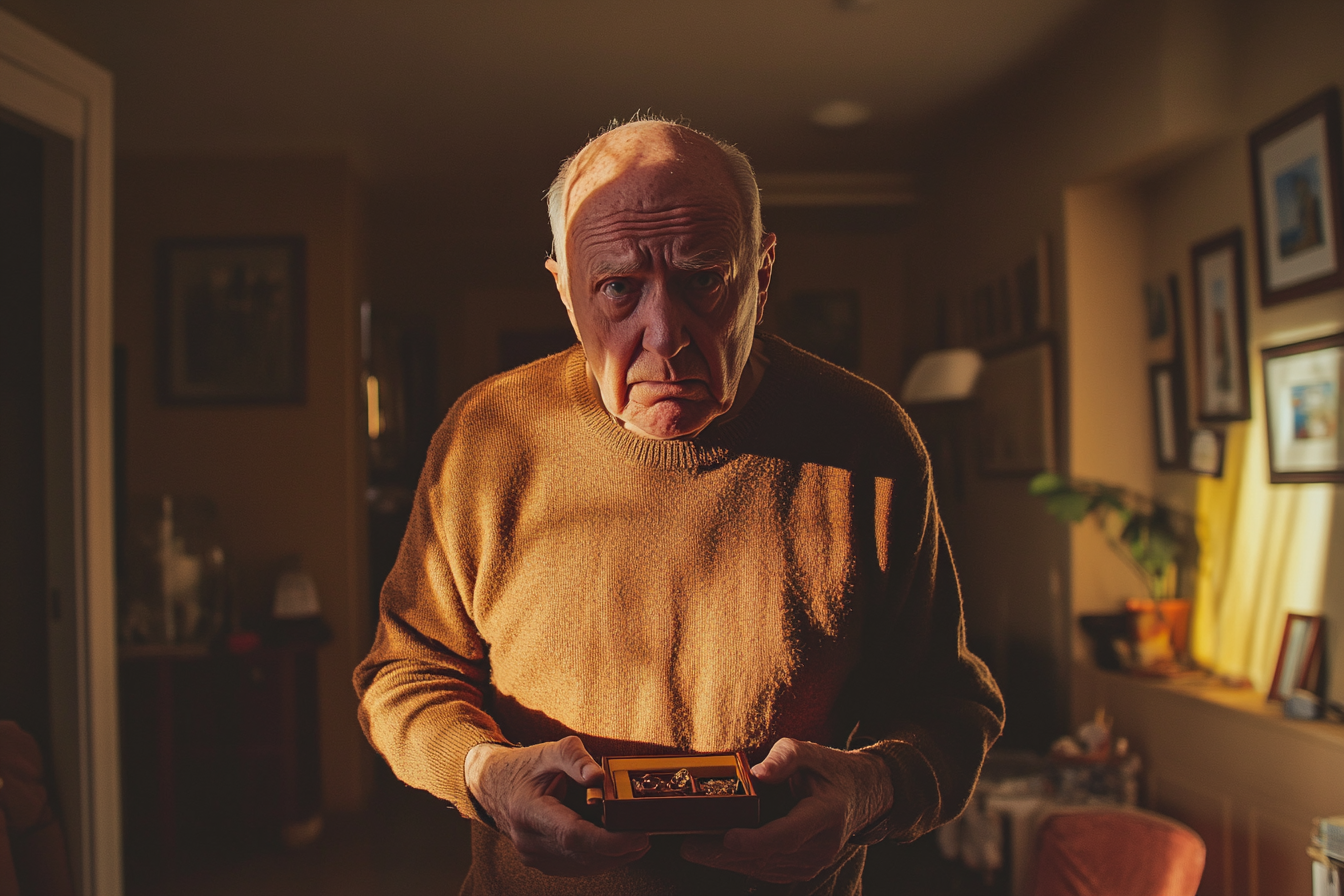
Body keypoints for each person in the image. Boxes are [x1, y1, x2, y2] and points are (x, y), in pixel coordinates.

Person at [354, 118, 1004, 896]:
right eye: (618, 288)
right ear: (565, 288)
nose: (664, 335)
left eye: (704, 280)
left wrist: (872, 791)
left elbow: (950, 708)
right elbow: (402, 676)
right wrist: (483, 775)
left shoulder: (869, 444)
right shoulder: (488, 439)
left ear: (761, 275)